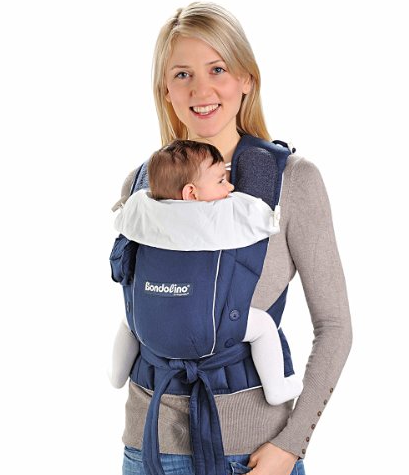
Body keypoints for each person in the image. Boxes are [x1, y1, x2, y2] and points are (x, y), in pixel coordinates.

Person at [110, 2, 352, 475]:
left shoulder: (292, 182)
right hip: (146, 449)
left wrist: (290, 446)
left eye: (217, 69)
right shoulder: (140, 186)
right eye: (182, 74)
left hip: (252, 454)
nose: (201, 90)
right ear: (165, 91)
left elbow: (335, 326)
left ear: (246, 79)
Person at [110, 139, 304, 408]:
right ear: (191, 193)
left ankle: (116, 376)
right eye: (221, 181)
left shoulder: (141, 211)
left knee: (127, 322)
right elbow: (260, 217)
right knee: (263, 326)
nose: (230, 187)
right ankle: (276, 388)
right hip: (208, 333)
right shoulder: (223, 216)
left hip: (148, 327)